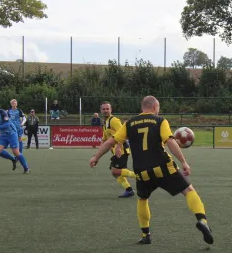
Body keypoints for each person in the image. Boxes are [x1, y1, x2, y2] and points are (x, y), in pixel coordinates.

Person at [89, 96, 214, 245]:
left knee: (142, 199)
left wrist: (96, 157)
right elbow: (170, 141)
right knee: (189, 190)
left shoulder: (129, 123)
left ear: (143, 107)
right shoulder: (160, 121)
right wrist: (184, 162)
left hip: (142, 171)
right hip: (163, 167)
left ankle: (145, 234)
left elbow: (111, 141)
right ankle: (202, 220)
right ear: (155, 107)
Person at [99, 102, 136, 198]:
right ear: (101, 111)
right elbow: (104, 139)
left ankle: (140, 176)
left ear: (111, 110)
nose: (105, 110)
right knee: (115, 172)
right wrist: (98, 153)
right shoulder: (105, 123)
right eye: (104, 109)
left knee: (115, 171)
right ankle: (129, 190)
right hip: (116, 150)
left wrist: (119, 147)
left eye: (107, 108)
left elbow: (122, 133)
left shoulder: (114, 120)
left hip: (121, 149)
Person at [0, 98, 30, 173]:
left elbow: (7, 124)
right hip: (3, 135)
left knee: (16, 152)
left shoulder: (3, 112)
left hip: (11, 134)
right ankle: (13, 159)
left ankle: (26, 168)